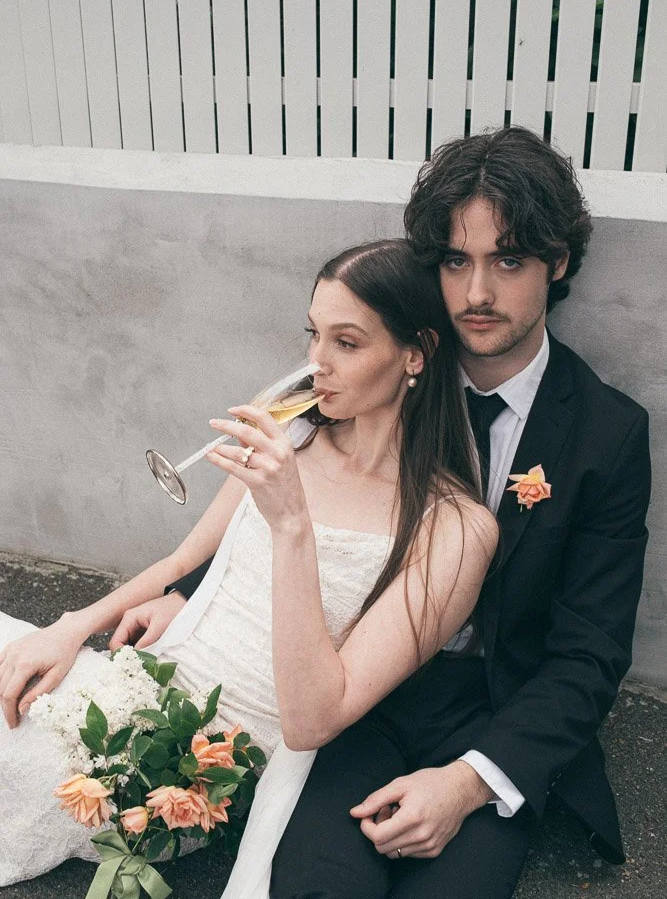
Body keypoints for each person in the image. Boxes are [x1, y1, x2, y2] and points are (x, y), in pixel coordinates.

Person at [157, 127, 652, 899]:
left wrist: (469, 781)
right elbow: (279, 490)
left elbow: (588, 653)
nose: (477, 293)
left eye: (508, 260)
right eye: (455, 261)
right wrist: (177, 598)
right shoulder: (379, 364)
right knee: (316, 887)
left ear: (556, 263)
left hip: (491, 711)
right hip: (361, 690)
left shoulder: (606, 434)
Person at [0, 240, 497, 888]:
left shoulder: (454, 529)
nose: (315, 363)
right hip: (139, 686)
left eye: (346, 343)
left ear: (415, 353)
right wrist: (70, 627)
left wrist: (292, 523)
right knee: (19, 672)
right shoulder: (292, 426)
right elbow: (187, 556)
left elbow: (314, 718)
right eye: (313, 335)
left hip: (195, 767)